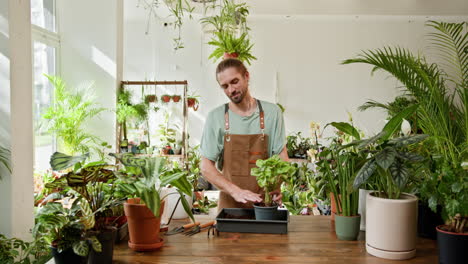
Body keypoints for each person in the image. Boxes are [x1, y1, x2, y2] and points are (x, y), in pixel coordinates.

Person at [200, 58, 289, 211]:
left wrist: (277, 185)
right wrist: (235, 191)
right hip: (230, 207)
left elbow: (282, 158)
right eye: (225, 86)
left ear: (246, 76)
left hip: (265, 205)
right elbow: (205, 166)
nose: (231, 90)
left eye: (235, 81)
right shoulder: (215, 117)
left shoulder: (272, 113)